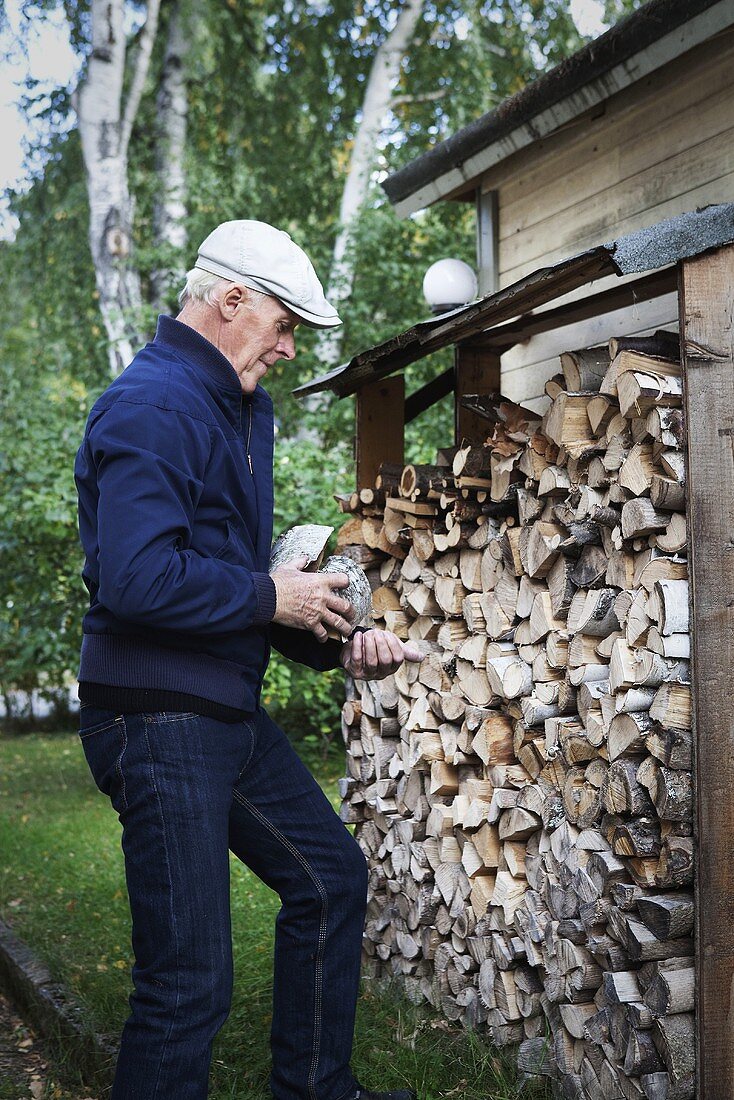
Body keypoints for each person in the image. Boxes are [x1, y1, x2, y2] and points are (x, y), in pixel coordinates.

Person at [74, 220, 421, 1100]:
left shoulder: (238, 410)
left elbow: (234, 584)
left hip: (217, 706)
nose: (289, 347)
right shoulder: (154, 404)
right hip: (154, 715)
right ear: (231, 301)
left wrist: (332, 638)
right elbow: (138, 579)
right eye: (284, 325)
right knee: (187, 985)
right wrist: (275, 596)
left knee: (330, 881)